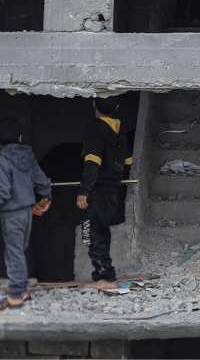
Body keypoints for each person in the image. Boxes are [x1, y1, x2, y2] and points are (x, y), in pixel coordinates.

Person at [78, 97, 131, 287]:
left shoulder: (95, 128)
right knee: (101, 230)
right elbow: (127, 162)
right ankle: (104, 272)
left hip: (96, 189)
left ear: (94, 106)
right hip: (112, 189)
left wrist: (84, 191)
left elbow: (93, 162)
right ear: (116, 108)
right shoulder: (121, 130)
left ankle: (104, 277)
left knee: (89, 231)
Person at [0, 116, 51, 309]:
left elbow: (2, 191)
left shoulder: (2, 159)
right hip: (27, 212)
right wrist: (46, 200)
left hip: (11, 214)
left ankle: (15, 296)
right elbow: (42, 182)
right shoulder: (28, 156)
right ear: (20, 136)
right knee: (20, 251)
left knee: (13, 253)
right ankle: (22, 290)